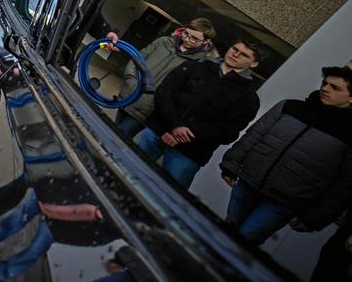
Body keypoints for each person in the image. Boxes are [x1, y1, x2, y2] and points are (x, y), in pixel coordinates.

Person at [220, 65, 352, 245]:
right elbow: (255, 134)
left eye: (335, 87)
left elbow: (345, 184)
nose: (325, 89)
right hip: (249, 183)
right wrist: (231, 163)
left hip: (284, 202)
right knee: (226, 229)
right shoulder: (290, 106)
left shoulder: (349, 134)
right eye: (325, 83)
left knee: (245, 240)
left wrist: (316, 217)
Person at [137, 40, 264, 189]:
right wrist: (175, 125)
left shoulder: (248, 97)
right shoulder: (195, 66)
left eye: (243, 55)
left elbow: (227, 131)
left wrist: (183, 135)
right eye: (234, 48)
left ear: (253, 63)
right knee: (125, 169)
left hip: (190, 152)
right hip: (157, 131)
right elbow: (165, 92)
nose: (235, 54)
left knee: (168, 195)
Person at [115, 17, 217, 138]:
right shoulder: (163, 42)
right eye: (186, 33)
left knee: (117, 138)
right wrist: (131, 79)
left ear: (205, 42)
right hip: (127, 96)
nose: (187, 39)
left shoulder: (199, 64)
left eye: (194, 38)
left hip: (147, 110)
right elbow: (137, 59)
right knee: (108, 130)